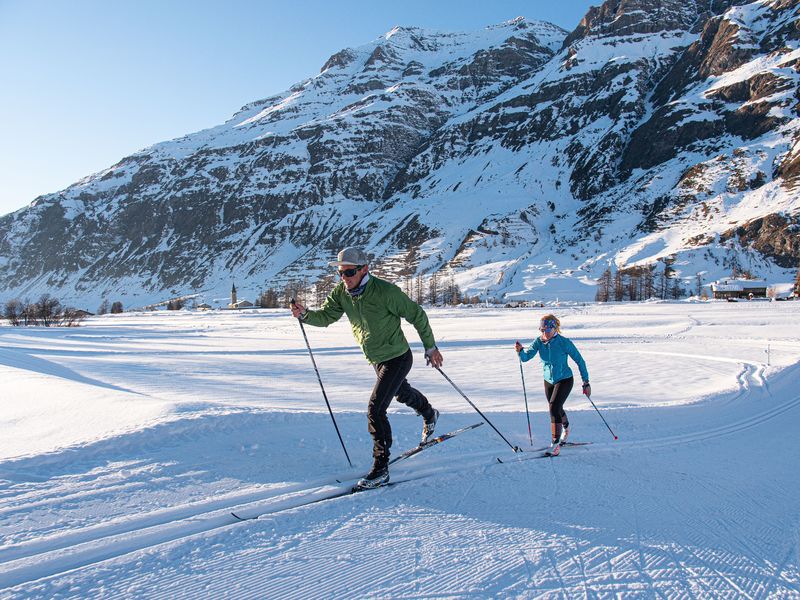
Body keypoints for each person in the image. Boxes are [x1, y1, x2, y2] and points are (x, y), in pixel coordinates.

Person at [290, 246, 444, 488]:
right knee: (401, 393)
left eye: (349, 272)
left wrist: (430, 347)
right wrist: (305, 315)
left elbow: (417, 315)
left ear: (364, 270)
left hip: (398, 356)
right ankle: (429, 413)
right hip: (376, 358)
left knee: (375, 409)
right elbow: (327, 317)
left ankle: (380, 468)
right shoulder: (341, 293)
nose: (344, 278)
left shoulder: (385, 292)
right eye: (341, 273)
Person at [514, 314, 590, 455]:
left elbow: (580, 361)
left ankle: (555, 444)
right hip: (548, 380)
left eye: (548, 330)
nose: (545, 333)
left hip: (565, 379)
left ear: (555, 328)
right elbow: (526, 358)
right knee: (556, 407)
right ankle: (566, 428)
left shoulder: (564, 342)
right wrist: (520, 351)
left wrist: (586, 382)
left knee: (554, 407)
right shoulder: (538, 342)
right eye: (542, 330)